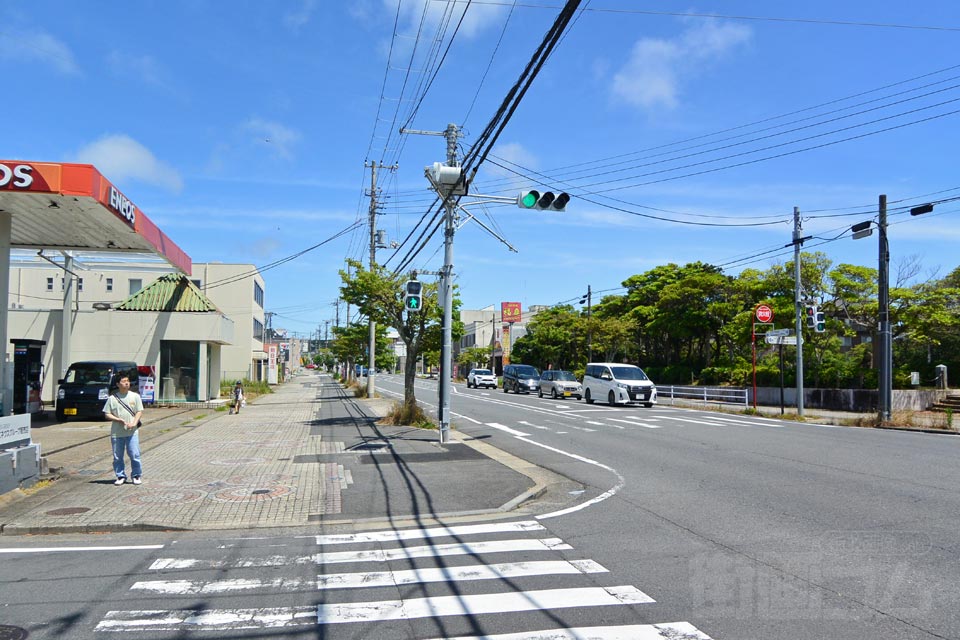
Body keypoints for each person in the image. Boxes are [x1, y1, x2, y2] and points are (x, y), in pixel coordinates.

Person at [103, 374, 144, 485]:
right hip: (117, 433)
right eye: (123, 381)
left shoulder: (135, 396)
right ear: (117, 384)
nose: (126, 383)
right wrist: (118, 419)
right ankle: (120, 476)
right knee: (117, 457)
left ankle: (136, 475)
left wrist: (134, 423)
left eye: (127, 381)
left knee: (134, 454)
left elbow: (139, 411)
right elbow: (107, 414)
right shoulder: (112, 398)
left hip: (132, 432)